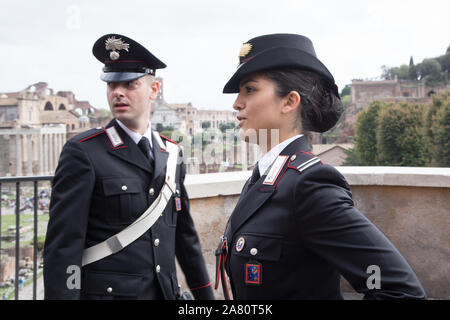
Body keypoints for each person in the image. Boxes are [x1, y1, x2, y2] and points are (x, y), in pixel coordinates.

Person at [215, 33, 426, 300]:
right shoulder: (265, 177)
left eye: (250, 89)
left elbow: (398, 289)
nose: (237, 103)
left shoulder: (309, 185)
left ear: (289, 102)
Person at [44, 34, 214, 300]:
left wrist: (205, 298)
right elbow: (64, 247)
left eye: (129, 84)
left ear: (153, 90)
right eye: (112, 85)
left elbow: (185, 236)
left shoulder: (171, 153)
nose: (118, 93)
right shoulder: (84, 152)